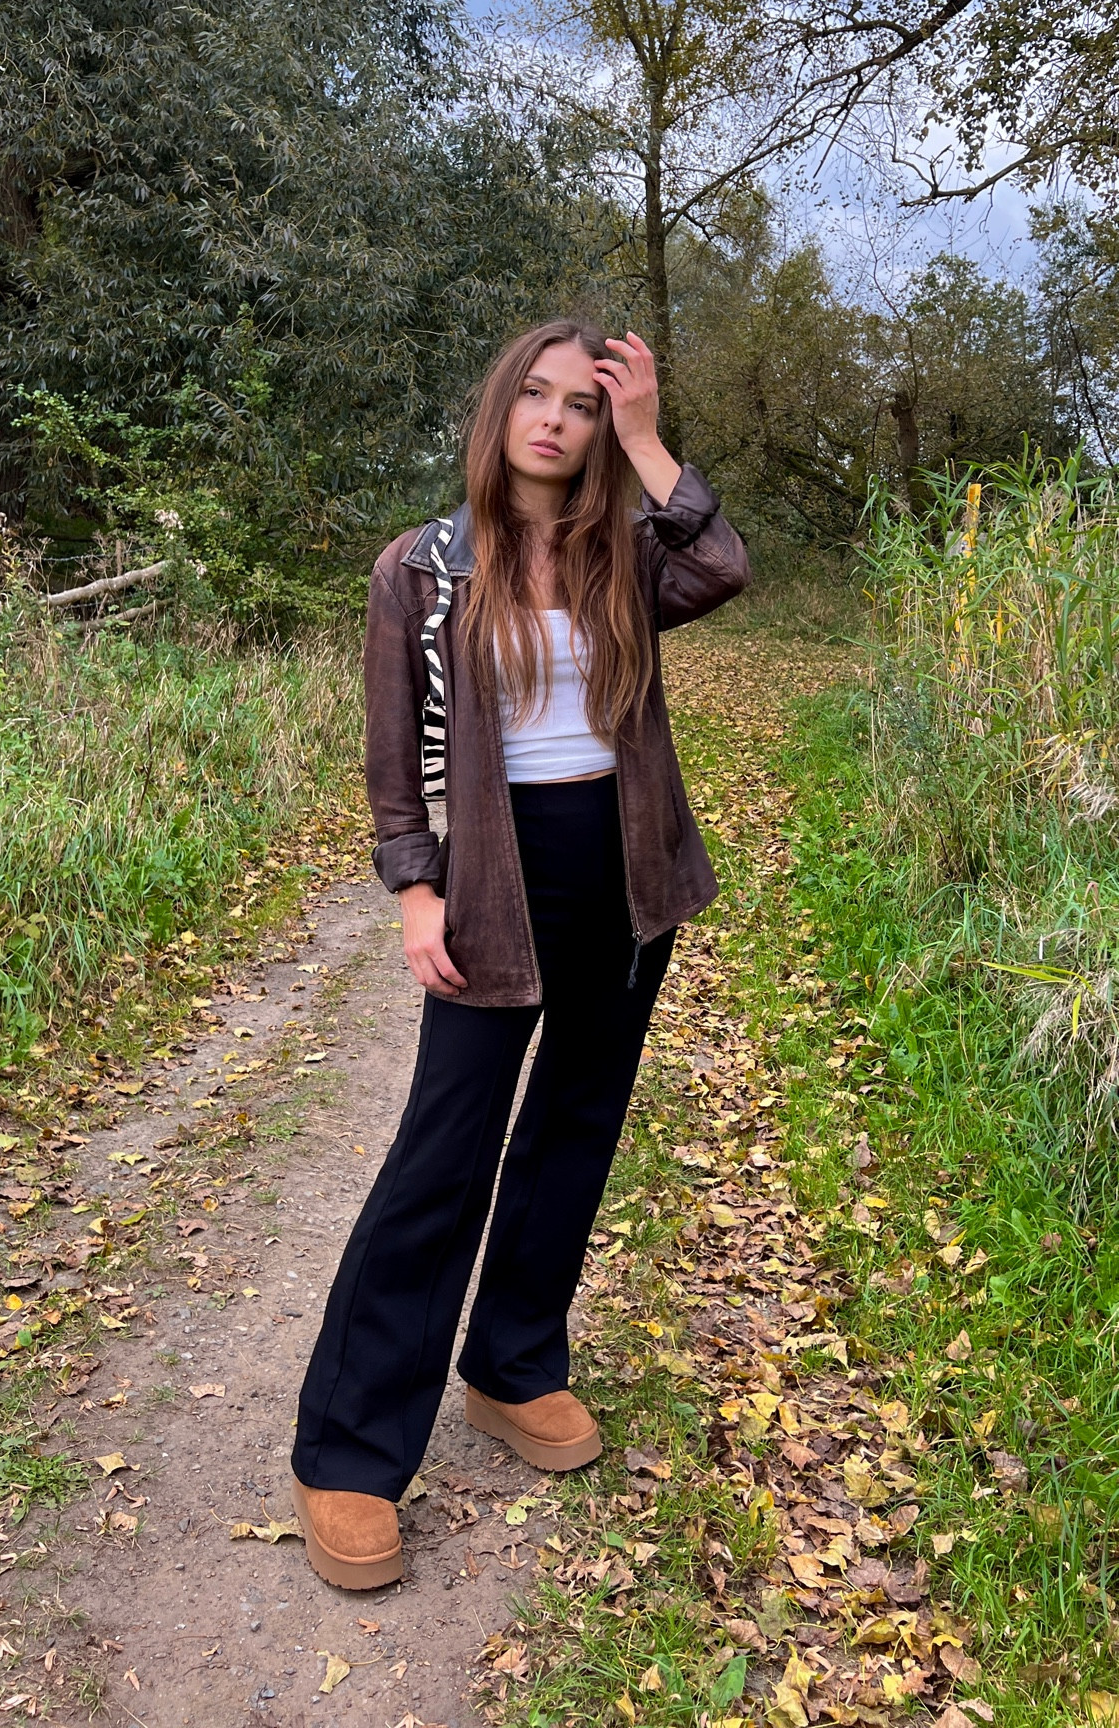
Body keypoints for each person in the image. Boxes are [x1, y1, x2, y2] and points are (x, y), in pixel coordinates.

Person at [289, 320, 750, 1589]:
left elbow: (721, 563)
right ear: (500, 412)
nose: (554, 419)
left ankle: (512, 1364)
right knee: (446, 1146)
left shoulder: (625, 552)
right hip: (495, 874)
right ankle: (349, 1448)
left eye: (582, 405)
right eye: (535, 396)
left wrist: (652, 432)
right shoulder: (422, 567)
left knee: (576, 1123)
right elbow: (395, 768)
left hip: (625, 864)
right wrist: (415, 890)